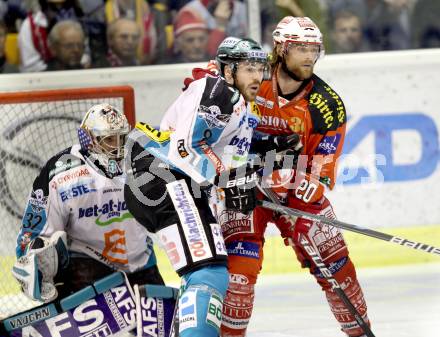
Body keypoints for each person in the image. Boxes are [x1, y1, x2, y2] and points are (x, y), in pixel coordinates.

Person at [219, 17, 371, 337]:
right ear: (280, 49)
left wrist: (304, 201)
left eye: (313, 50)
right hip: (245, 190)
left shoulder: (327, 105)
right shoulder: (253, 77)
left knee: (338, 269)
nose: (307, 57)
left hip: (296, 192)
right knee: (238, 277)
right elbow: (214, 91)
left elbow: (322, 170)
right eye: (300, 48)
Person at [124, 37, 269, 337]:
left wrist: (267, 150)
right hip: (164, 178)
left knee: (202, 274)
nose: (257, 76)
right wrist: (229, 182)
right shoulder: (220, 92)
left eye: (260, 69)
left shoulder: (238, 102)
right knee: (208, 272)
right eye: (249, 69)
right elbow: (185, 148)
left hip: (164, 182)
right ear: (228, 70)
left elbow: (224, 156)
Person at [13, 103, 164, 304]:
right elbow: (34, 232)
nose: (118, 147)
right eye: (110, 139)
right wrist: (34, 262)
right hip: (86, 267)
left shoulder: (143, 164)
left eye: (122, 137)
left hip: (141, 263)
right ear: (89, 140)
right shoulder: (61, 172)